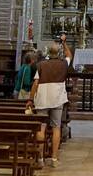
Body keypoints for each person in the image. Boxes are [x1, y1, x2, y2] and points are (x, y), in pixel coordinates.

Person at [27, 36, 70, 166]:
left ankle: (40, 159)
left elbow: (35, 83)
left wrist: (30, 99)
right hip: (57, 98)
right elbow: (69, 55)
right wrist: (64, 42)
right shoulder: (63, 64)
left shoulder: (41, 65)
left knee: (41, 127)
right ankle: (54, 158)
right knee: (56, 127)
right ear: (59, 53)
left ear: (48, 53)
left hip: (42, 98)